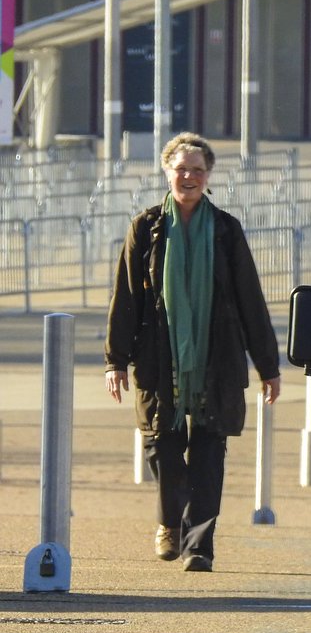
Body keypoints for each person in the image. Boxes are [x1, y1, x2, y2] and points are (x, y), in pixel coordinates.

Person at [105, 133, 281, 572]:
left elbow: (250, 301)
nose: (189, 177)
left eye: (198, 170)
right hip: (156, 356)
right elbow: (126, 297)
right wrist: (115, 359)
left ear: (208, 176)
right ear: (167, 172)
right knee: (161, 445)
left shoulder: (225, 230)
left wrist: (268, 366)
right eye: (181, 169)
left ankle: (199, 545)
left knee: (208, 452)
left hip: (215, 358)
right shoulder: (145, 228)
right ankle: (170, 523)